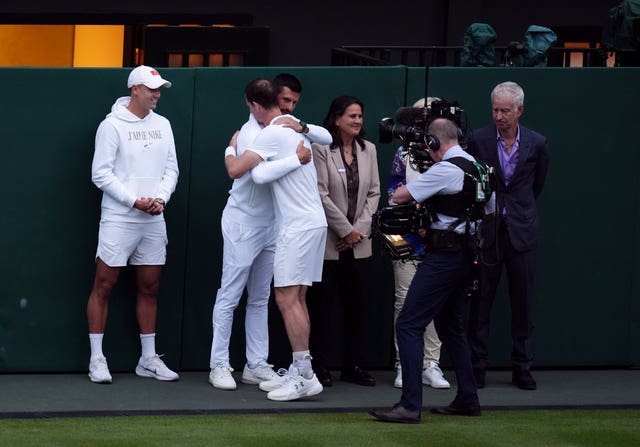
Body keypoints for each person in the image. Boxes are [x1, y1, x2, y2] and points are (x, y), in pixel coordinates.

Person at [209, 75, 331, 391]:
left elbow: (326, 136)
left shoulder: (286, 125)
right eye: (283, 103)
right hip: (243, 224)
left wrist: (303, 128)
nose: (288, 108)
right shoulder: (251, 133)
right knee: (230, 295)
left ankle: (256, 364)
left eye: (290, 103)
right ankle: (219, 364)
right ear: (255, 105)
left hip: (277, 226)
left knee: (263, 297)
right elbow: (246, 173)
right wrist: (230, 147)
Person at [370, 118, 492, 424]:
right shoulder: (478, 167)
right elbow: (489, 208)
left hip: (446, 256)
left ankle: (410, 405)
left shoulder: (446, 169)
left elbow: (399, 197)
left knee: (409, 324)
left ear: (435, 143)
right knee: (451, 326)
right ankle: (467, 398)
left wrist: (418, 182)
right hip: (469, 254)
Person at [86, 65, 179, 384]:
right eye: (151, 88)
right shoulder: (111, 126)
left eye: (159, 89)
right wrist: (134, 201)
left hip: (154, 218)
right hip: (119, 218)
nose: (156, 94)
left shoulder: (164, 125)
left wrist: (160, 199)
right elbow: (101, 173)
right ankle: (97, 358)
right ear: (134, 89)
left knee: (150, 286)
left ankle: (148, 359)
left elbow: (171, 170)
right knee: (104, 285)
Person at [466, 81, 550, 391]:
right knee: (481, 301)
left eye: (505, 110)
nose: (499, 116)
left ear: (520, 110)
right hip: (487, 232)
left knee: (523, 302)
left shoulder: (537, 143)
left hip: (522, 232)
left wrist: (519, 212)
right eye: (495, 110)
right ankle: (477, 366)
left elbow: (536, 184)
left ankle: (522, 367)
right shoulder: (478, 139)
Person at [308, 96, 381, 387]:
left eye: (360, 116)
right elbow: (320, 193)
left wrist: (357, 232)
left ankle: (354, 365)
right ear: (336, 119)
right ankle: (320, 366)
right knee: (322, 308)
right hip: (329, 243)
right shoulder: (320, 149)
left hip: (359, 243)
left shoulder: (369, 150)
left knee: (358, 307)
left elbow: (374, 193)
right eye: (352, 116)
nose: (357, 121)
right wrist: (343, 230)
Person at [387, 98, 451, 390]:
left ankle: (431, 364)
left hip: (440, 240)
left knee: (435, 302)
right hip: (406, 238)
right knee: (405, 300)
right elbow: (394, 193)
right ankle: (405, 364)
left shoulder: (449, 155)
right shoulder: (403, 153)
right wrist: (416, 221)